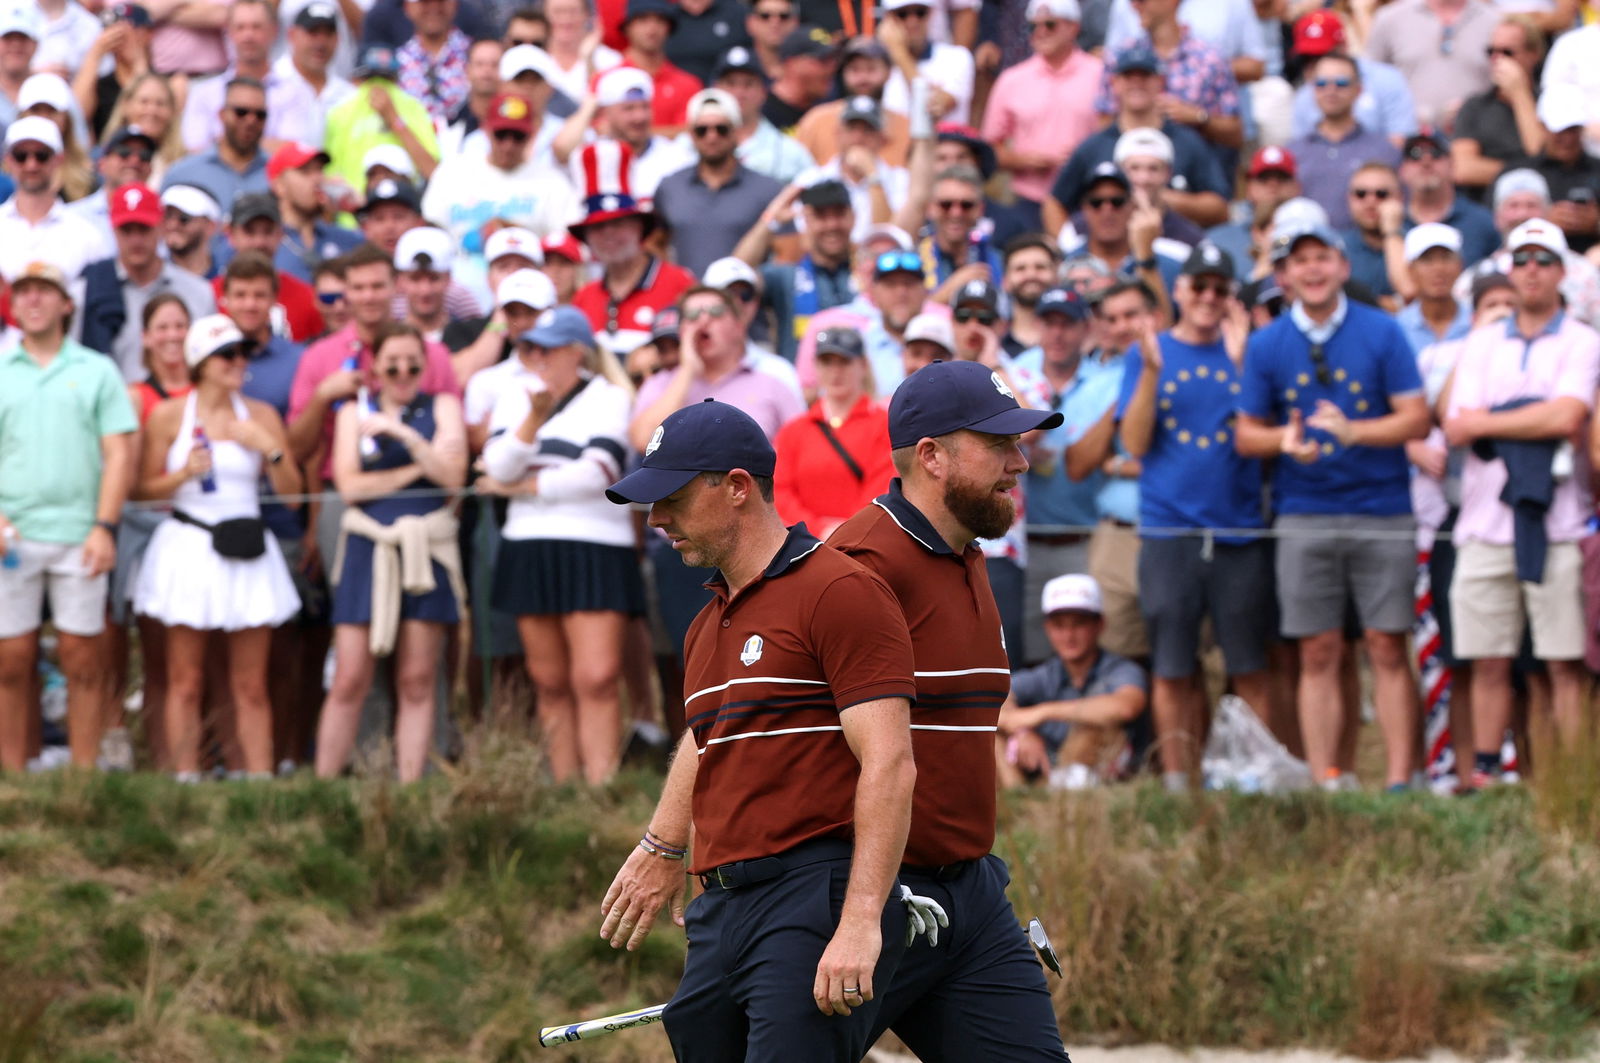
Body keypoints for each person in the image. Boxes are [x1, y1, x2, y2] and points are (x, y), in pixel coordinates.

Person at [597, 398, 918, 1059]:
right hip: (721, 909)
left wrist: (860, 919)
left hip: (810, 898)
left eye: (675, 498)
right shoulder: (702, 626)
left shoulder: (838, 588)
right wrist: (667, 848)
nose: (658, 520)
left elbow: (889, 762)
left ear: (738, 487)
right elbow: (706, 745)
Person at [827, 359, 1068, 1061]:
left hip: (969, 895)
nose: (1020, 463)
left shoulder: (970, 553)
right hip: (866, 896)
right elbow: (762, 726)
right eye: (999, 446)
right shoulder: (860, 564)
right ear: (930, 456)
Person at [1236, 222, 1431, 792]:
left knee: (1388, 643)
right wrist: (1283, 443)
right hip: (1304, 510)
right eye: (1301, 261)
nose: (1314, 270)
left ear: (1343, 267)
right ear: (1285, 276)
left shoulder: (1383, 330)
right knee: (1316, 648)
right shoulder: (1267, 343)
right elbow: (1248, 435)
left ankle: (1400, 781)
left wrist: (1355, 432)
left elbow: (1417, 418)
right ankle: (1327, 779)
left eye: (1323, 257)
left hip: (1383, 506)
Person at [1444, 218, 1600, 787]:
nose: (1532, 269)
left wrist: (1496, 420)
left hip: (1559, 523)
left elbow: (1568, 416)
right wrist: (1533, 416)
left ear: (1561, 272)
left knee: (1563, 663)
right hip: (1486, 523)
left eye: (1544, 259)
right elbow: (1458, 427)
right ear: (1510, 269)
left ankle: (1576, 781)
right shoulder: (1480, 342)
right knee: (1488, 659)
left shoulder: (1584, 341)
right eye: (1523, 258)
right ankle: (1486, 773)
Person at [1119, 243, 1277, 788]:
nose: (1209, 297)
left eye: (1220, 288)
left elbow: (1266, 434)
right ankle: (1177, 782)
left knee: (1249, 665)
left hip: (1237, 531)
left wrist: (1241, 364)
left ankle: (1257, 775)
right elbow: (1135, 442)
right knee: (1172, 666)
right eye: (1199, 286)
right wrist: (1150, 374)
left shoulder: (1250, 353)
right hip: (1170, 530)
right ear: (1180, 290)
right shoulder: (1149, 352)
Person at [132, 313, 302, 780]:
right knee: (185, 678)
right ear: (200, 363)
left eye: (242, 353)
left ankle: (260, 783)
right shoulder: (170, 416)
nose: (238, 362)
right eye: (227, 354)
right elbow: (142, 490)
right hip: (190, 544)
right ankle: (186, 777)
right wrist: (182, 473)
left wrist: (270, 448)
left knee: (251, 682)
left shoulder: (261, 415)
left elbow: (292, 493)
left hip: (246, 544)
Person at [480, 306, 640, 785]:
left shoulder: (611, 397)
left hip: (595, 546)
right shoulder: (516, 397)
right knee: (548, 681)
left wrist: (524, 489)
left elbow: (600, 473)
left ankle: (602, 786)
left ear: (577, 352)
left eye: (546, 347)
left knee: (596, 676)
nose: (535, 356)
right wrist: (532, 420)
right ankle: (565, 791)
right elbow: (497, 464)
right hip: (529, 546)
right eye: (529, 347)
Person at [315, 321, 467, 782]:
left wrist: (403, 437)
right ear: (375, 367)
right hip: (369, 545)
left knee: (417, 679)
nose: (403, 372)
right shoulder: (351, 413)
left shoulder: (442, 405)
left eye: (412, 364)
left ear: (425, 365)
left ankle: (409, 789)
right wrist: (414, 471)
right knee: (350, 676)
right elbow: (351, 486)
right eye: (392, 364)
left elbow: (453, 477)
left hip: (426, 548)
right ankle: (322, 785)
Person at [0, 261, 136, 772]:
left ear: (66, 303)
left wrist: (104, 527)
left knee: (84, 657)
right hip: (11, 535)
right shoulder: (1, 370)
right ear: (14, 305)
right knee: (10, 660)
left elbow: (119, 454)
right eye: (25, 293)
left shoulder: (97, 370)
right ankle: (11, 779)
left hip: (80, 533)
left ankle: (83, 778)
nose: (33, 301)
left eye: (45, 292)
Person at [1046, 42, 1231, 236]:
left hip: (1173, 245)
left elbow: (1220, 208)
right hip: (1109, 255)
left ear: (1160, 82)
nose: (1137, 83)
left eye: (1145, 76)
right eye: (1128, 76)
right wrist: (1069, 248)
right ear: (1114, 83)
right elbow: (1054, 202)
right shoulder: (1094, 146)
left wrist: (1160, 197)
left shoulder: (1188, 141)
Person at [996, 573, 1148, 788]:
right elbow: (993, 697)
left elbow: (1126, 707)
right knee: (994, 738)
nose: (1068, 636)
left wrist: (1041, 713)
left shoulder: (1122, 669)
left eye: (1078, 624)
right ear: (1048, 629)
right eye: (1059, 626)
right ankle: (1019, 803)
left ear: (1099, 625)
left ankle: (1062, 796)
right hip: (1046, 770)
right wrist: (1021, 732)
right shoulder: (1046, 674)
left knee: (1096, 727)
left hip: (1107, 780)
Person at [75, 181, 217, 382]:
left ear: (161, 227)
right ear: (113, 230)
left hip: (179, 406)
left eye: (143, 229)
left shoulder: (199, 292)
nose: (136, 240)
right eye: (127, 230)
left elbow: (210, 363)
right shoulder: (87, 290)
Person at [981, 0, 1102, 233]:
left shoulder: (1099, 73)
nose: (1040, 32)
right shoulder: (1012, 79)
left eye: (1050, 25)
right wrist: (1023, 160)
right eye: (1032, 26)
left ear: (1073, 27)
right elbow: (989, 148)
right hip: (1028, 198)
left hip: (1088, 197)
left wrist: (1083, 158)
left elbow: (1113, 133)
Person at [568, 140, 696, 357]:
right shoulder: (584, 298)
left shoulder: (680, 285)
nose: (609, 234)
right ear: (587, 237)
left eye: (618, 223)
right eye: (598, 227)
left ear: (639, 227)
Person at [420, 90, 579, 252]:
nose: (508, 145)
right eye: (501, 134)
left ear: (533, 135)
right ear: (486, 130)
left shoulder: (553, 183)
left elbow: (569, 245)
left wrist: (520, 236)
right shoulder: (452, 172)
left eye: (518, 136)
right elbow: (429, 233)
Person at [772, 326, 893, 536]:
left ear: (863, 365)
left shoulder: (884, 425)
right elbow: (780, 492)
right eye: (827, 362)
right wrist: (819, 530)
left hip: (864, 543)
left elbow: (883, 489)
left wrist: (845, 532)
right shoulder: (793, 431)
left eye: (844, 362)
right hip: (804, 546)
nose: (836, 372)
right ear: (815, 367)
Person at [654, 88, 784, 279]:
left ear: (737, 132)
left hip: (744, 302)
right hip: (684, 301)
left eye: (721, 129)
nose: (711, 137)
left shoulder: (767, 188)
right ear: (691, 135)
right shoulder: (670, 187)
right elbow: (653, 244)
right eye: (702, 130)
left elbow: (787, 253)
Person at [733, 177, 857, 361]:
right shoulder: (786, 277)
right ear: (806, 219)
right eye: (821, 216)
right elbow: (735, 270)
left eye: (839, 214)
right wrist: (771, 219)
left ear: (852, 217)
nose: (832, 225)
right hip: (799, 384)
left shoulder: (870, 274)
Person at [178, 0, 321, 153]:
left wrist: (225, 144)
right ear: (229, 32)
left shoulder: (297, 93)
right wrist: (267, 145)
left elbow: (295, 151)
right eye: (240, 27)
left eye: (256, 27)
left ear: (274, 31)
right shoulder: (204, 93)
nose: (248, 35)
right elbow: (194, 150)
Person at [1284, 53, 1400, 232]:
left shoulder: (1384, 151)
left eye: (1341, 83)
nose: (1331, 91)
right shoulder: (1292, 153)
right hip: (1308, 252)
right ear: (1312, 89)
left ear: (1358, 90)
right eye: (1322, 83)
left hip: (1368, 251)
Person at [1450, 15, 1547, 203]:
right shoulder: (1475, 106)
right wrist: (1525, 172)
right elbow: (1464, 169)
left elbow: (1540, 152)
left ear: (1533, 54)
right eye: (1491, 51)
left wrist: (1520, 95)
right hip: (1487, 205)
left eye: (1507, 52)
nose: (1497, 59)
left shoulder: (1549, 101)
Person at [0, 116, 109, 282]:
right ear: (8, 160)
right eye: (21, 156)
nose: (31, 165)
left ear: (58, 159)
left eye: (41, 155)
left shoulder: (86, 235)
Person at [1363, 0, 1494, 132]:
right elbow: (1371, 81)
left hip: (1479, 139)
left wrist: (1471, 109)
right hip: (1407, 139)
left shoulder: (1493, 20)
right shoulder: (1390, 18)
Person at [701, 44, 813, 186]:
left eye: (748, 84)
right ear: (715, 89)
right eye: (731, 83)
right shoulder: (690, 144)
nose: (739, 93)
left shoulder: (790, 152)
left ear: (763, 92)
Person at [159, 77, 272, 215]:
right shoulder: (184, 173)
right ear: (222, 114)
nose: (251, 121)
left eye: (260, 115)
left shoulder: (279, 175)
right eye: (241, 112)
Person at [1398, 131, 1499, 268]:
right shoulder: (1394, 223)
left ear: (1453, 165)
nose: (1426, 161)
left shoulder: (1482, 221)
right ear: (1402, 170)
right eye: (1414, 155)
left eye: (1436, 153)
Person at [269, 142, 364, 284]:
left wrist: (360, 211)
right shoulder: (265, 242)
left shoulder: (346, 238)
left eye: (319, 170)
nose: (317, 179)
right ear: (279, 185)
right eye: (305, 171)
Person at [879, 0, 975, 126]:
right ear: (889, 19)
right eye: (902, 14)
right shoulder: (879, 63)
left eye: (920, 12)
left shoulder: (957, 58)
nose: (912, 22)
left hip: (940, 144)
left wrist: (898, 52)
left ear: (931, 14)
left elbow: (930, 105)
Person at [396, 0, 472, 123]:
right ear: (408, 7)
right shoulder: (395, 62)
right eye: (424, 2)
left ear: (455, 4)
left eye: (440, 1)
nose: (434, 7)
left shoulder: (475, 55)